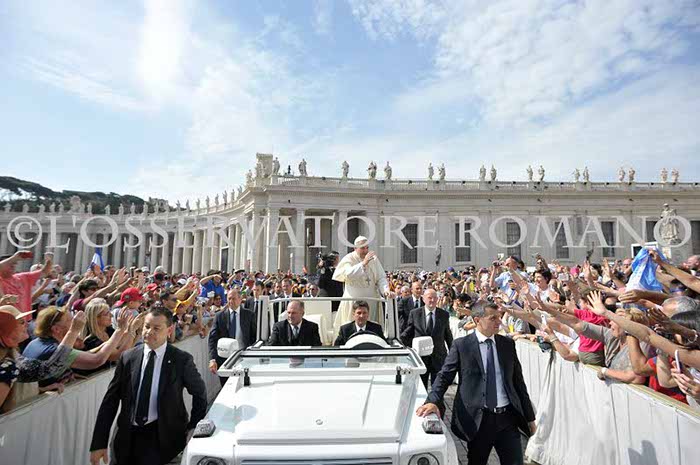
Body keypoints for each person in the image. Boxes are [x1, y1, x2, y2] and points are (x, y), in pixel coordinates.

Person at [417, 300, 536, 465]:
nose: (499, 321)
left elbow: (519, 383)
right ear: (477, 320)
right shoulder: (462, 346)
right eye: (493, 318)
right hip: (479, 421)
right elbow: (444, 376)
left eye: (499, 317)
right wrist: (433, 401)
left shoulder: (507, 344)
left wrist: (530, 418)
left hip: (507, 419)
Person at [89, 307, 207, 465]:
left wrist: (194, 427)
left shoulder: (181, 360)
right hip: (126, 439)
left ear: (169, 330)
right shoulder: (128, 357)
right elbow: (110, 400)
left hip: (162, 440)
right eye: (147, 326)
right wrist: (99, 442)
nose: (149, 332)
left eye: (156, 328)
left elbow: (200, 393)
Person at [0, 305, 84, 412]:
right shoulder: (6, 365)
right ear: (6, 331)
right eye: (21, 322)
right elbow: (50, 368)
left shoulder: (11, 353)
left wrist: (38, 390)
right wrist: (73, 331)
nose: (27, 324)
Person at [332, 236, 392, 332]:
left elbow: (381, 278)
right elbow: (348, 275)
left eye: (367, 248)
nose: (365, 251)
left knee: (371, 329)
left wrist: (386, 290)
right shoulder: (349, 258)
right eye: (362, 248)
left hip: (371, 303)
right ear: (355, 248)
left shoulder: (373, 259)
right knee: (351, 330)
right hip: (353, 304)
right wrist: (363, 264)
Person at [401, 289, 453, 389]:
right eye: (429, 298)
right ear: (423, 299)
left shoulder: (444, 315)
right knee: (421, 387)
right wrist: (401, 344)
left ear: (437, 299)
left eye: (434, 298)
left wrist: (452, 353)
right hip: (421, 358)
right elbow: (408, 333)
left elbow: (448, 335)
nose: (432, 300)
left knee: (437, 387)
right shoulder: (415, 314)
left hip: (438, 357)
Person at [208, 288, 257, 386]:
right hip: (225, 360)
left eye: (233, 298)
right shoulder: (219, 316)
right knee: (227, 387)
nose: (231, 301)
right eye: (229, 299)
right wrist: (212, 359)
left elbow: (254, 336)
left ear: (240, 299)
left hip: (244, 358)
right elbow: (212, 339)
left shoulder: (249, 315)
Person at [0, 251, 53, 316]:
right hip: (6, 318)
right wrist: (14, 258)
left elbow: (44, 272)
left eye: (15, 263)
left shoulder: (22, 277)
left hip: (23, 318)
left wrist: (49, 260)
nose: (13, 266)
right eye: (9, 264)